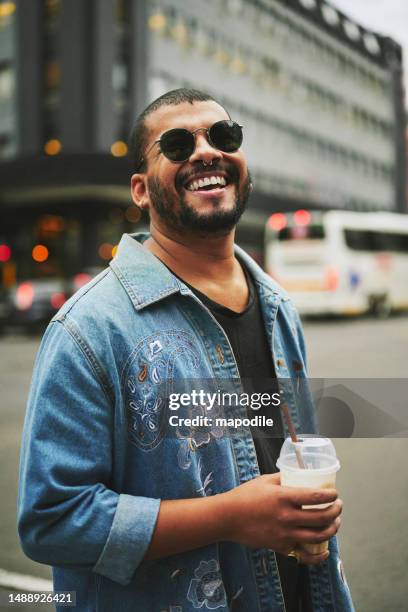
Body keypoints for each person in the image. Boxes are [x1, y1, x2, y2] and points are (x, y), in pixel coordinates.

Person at [18, 89, 354, 611]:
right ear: (141, 191)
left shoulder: (277, 307)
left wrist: (303, 515)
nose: (205, 152)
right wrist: (231, 516)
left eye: (224, 136)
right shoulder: (88, 328)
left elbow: (286, 453)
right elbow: (53, 521)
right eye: (176, 144)